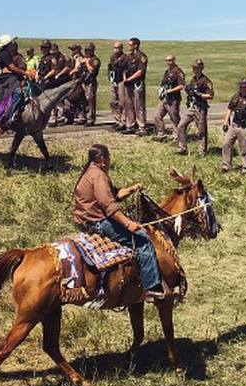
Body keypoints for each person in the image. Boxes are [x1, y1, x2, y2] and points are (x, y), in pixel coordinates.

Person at [71, 144, 166, 302]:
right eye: (108, 158)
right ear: (102, 159)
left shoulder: (91, 173)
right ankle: (152, 289)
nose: (109, 162)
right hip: (97, 222)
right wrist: (128, 224)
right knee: (142, 241)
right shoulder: (98, 175)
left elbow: (115, 194)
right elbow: (109, 205)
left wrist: (131, 189)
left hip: (86, 220)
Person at [221, 77, 246, 174]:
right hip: (234, 125)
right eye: (242, 87)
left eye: (245, 87)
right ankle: (226, 166)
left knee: (244, 148)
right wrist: (225, 122)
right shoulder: (236, 96)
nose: (243, 89)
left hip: (245, 127)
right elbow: (230, 109)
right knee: (226, 144)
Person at [176, 59, 214, 156]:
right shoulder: (193, 79)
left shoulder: (206, 81)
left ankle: (202, 151)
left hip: (200, 108)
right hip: (192, 107)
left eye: (196, 68)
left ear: (201, 68)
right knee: (181, 125)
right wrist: (188, 90)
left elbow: (210, 96)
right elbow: (190, 89)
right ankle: (182, 147)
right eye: (193, 68)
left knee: (201, 130)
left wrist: (200, 94)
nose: (194, 69)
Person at [153, 55, 185, 141]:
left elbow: (181, 86)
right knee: (157, 115)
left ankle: (178, 136)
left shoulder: (178, 72)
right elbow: (163, 83)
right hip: (165, 98)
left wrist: (171, 91)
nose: (168, 62)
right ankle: (161, 133)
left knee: (174, 118)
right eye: (167, 60)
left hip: (173, 98)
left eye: (170, 60)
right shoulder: (167, 71)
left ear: (174, 60)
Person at [123, 37, 148, 134]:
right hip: (128, 84)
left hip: (137, 83)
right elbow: (124, 69)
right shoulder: (128, 57)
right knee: (129, 104)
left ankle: (142, 126)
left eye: (130, 45)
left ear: (135, 45)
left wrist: (130, 79)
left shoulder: (141, 56)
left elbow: (140, 71)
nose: (128, 47)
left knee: (139, 105)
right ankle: (130, 125)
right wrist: (125, 78)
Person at [107, 41, 127, 131]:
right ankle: (117, 120)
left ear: (121, 48)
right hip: (113, 80)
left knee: (122, 102)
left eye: (118, 48)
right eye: (115, 47)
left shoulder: (125, 58)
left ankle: (123, 121)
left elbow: (125, 70)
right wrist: (110, 79)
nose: (116, 49)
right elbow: (110, 69)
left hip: (121, 81)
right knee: (113, 101)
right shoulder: (112, 57)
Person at [80, 43, 101, 126]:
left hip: (90, 82)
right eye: (86, 50)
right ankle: (83, 117)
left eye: (88, 50)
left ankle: (91, 118)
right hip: (83, 81)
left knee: (90, 100)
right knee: (83, 100)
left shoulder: (95, 60)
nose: (86, 52)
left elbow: (92, 71)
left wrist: (87, 63)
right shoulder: (84, 59)